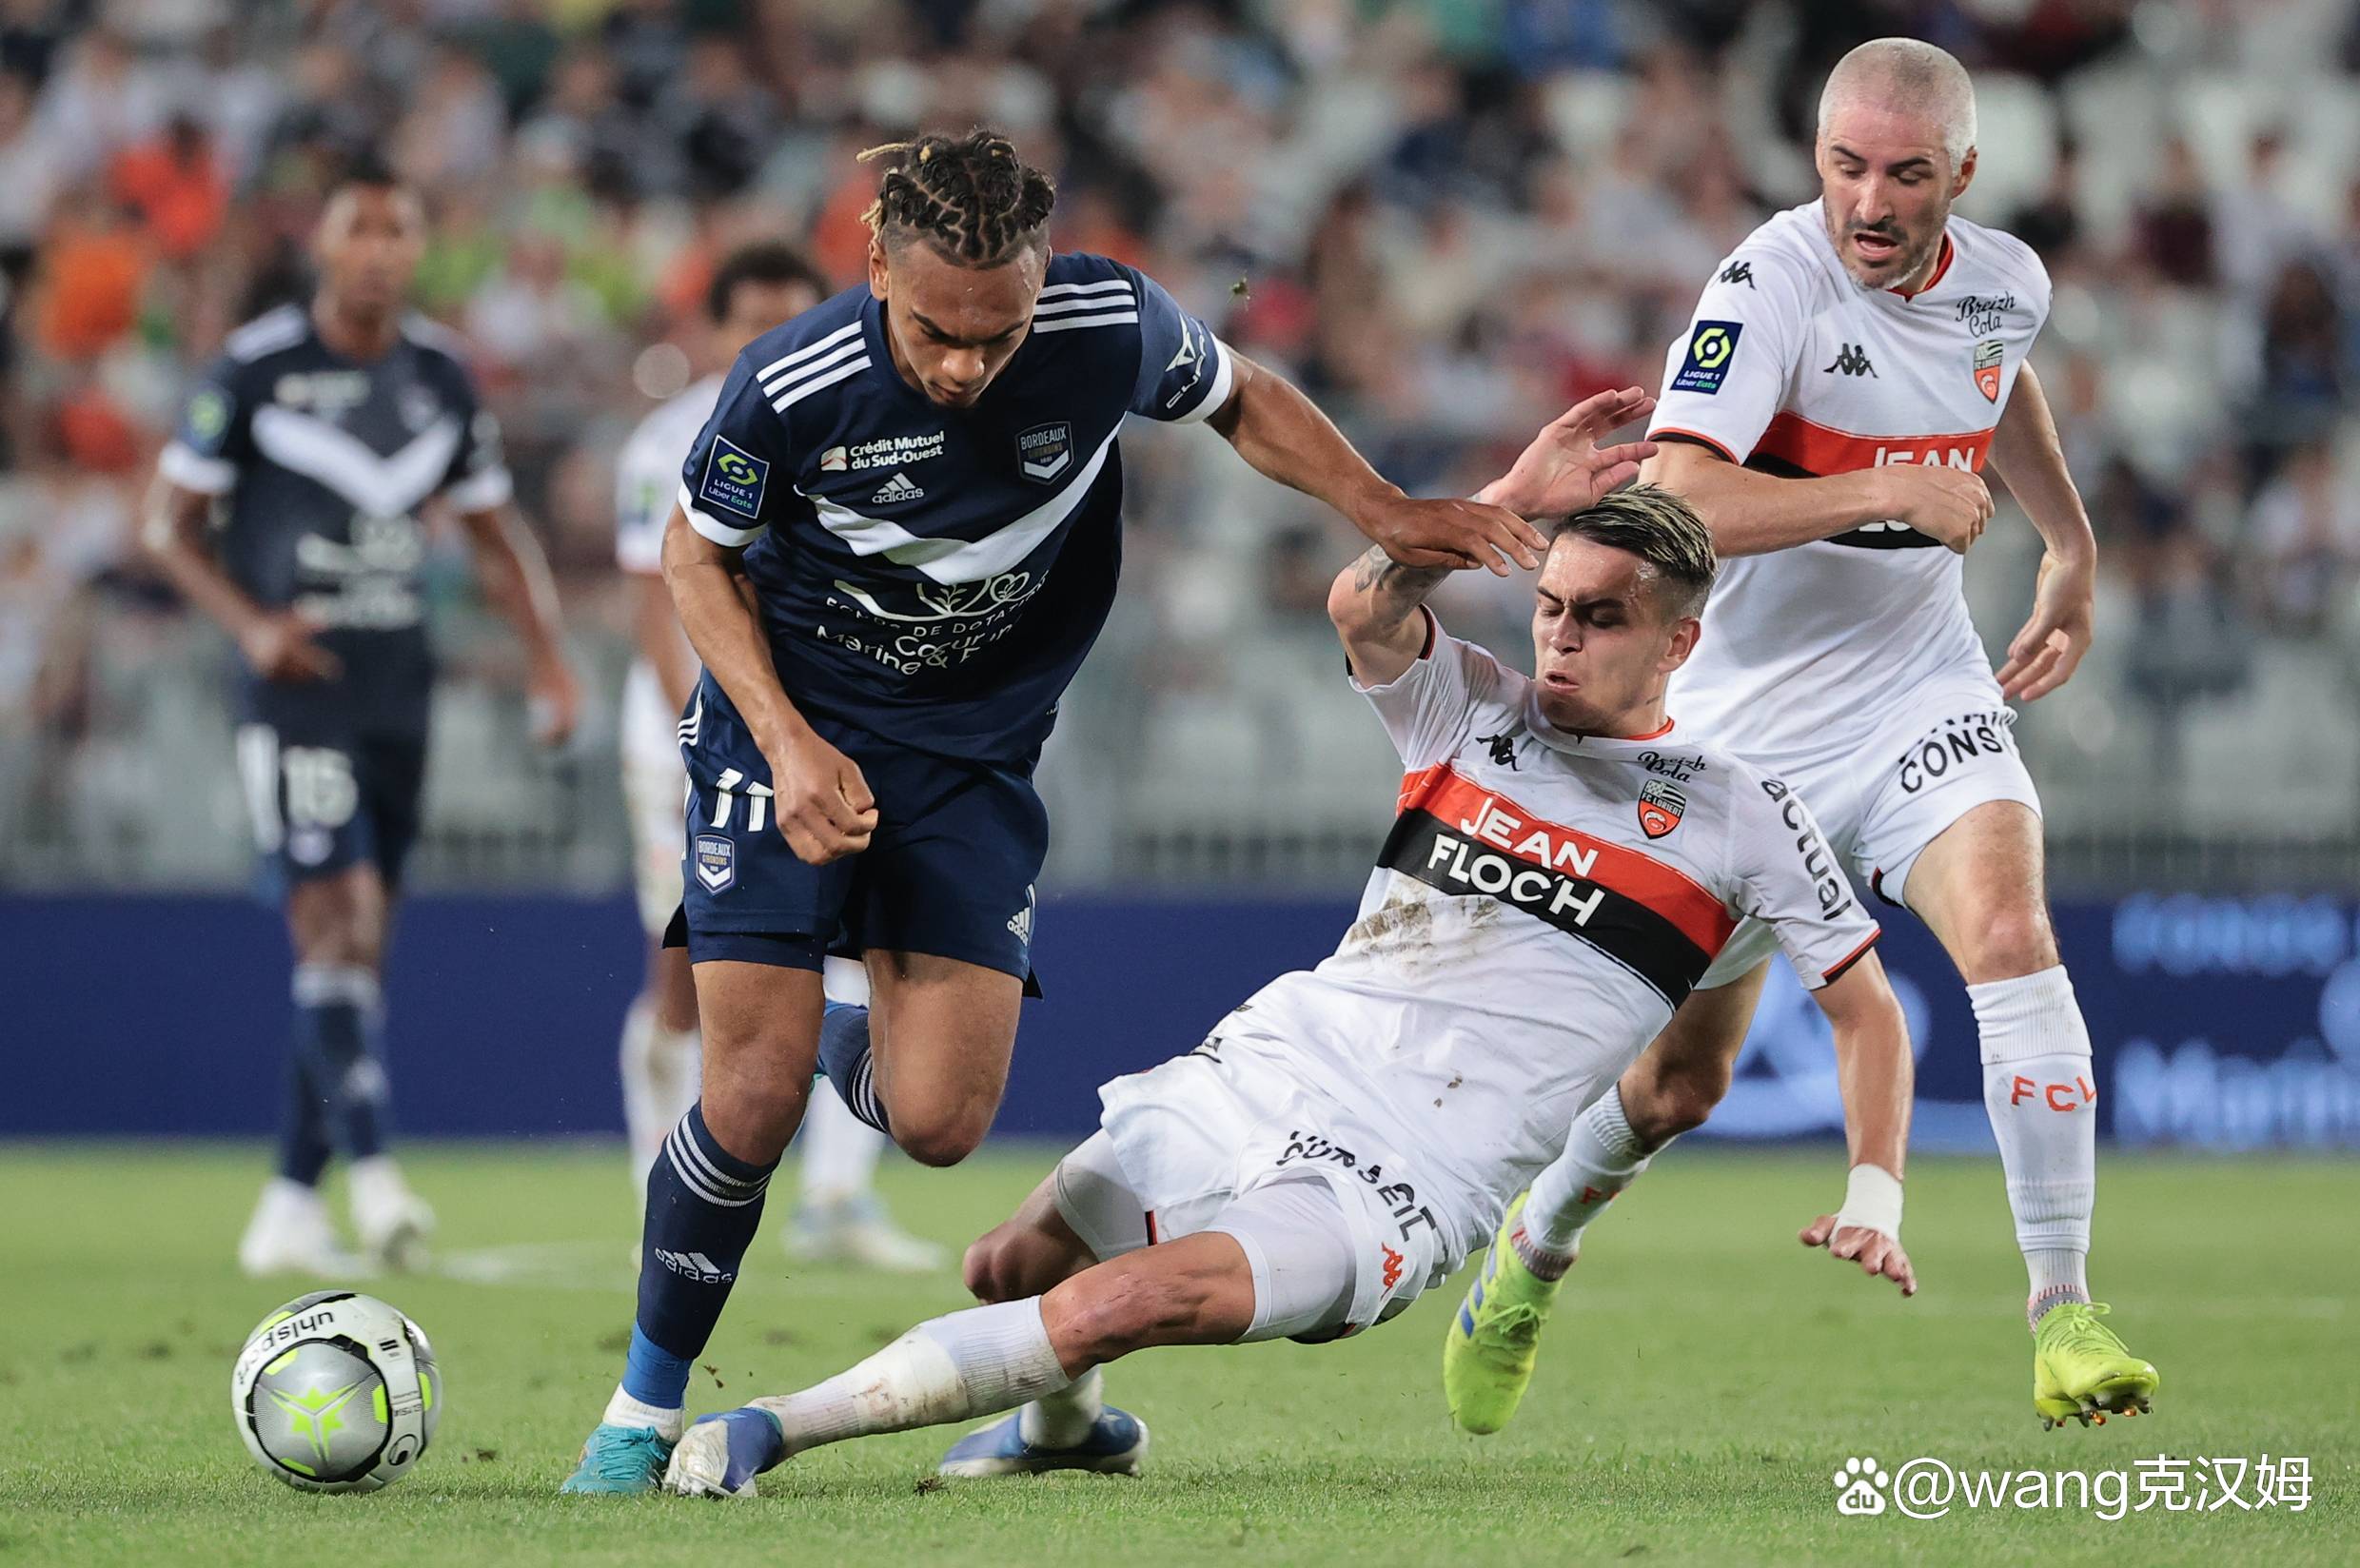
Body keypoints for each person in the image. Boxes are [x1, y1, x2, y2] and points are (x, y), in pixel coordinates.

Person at [561, 127, 1551, 1494]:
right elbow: (693, 553)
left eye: (998, 333)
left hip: (971, 755)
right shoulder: (791, 385)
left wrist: (1382, 506)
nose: (968, 364)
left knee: (941, 1123)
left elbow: (1245, 395)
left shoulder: (1109, 322)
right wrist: (784, 741)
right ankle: (637, 1414)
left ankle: (830, 1025)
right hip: (783, 726)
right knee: (747, 1090)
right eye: (937, 333)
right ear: (874, 264)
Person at [657, 472, 1922, 1498]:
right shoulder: (1471, 711)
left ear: (1680, 638)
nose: (1563, 633)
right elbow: (1363, 605)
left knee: (1122, 1302)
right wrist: (1509, 492)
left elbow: (1865, 1012)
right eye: (1552, 604)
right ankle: (1063, 1436)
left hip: (1408, 1177)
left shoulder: (1738, 817)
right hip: (1279, 1062)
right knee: (1007, 1267)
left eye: (1603, 615)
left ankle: (771, 1429)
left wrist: (1876, 1185)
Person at [1445, 39, 2157, 1435]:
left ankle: (2065, 1313)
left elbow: (1994, 382)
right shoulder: (1767, 286)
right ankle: (1533, 1253)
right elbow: (1676, 497)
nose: (1870, 204)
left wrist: (2069, 545)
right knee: (1677, 1086)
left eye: (1905, 174)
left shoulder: (2008, 279)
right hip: (1736, 742)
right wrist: (1888, 490)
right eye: (1845, 166)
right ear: (1813, 159)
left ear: (1964, 172)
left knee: (2011, 936)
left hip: (1918, 693)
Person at [142, 158, 579, 1275]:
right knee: (331, 925)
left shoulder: (440, 374)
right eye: (360, 228)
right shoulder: (255, 370)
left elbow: (491, 535)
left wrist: (547, 663)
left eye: (399, 230)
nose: (380, 248)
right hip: (295, 691)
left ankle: (290, 1197)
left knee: (362, 946)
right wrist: (248, 626)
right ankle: (378, 1183)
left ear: (418, 249)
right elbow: (166, 527)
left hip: (400, 687)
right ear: (323, 245)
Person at [611, 240, 937, 1270]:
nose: (770, 337)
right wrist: (711, 738)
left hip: (833, 736)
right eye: (749, 317)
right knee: (687, 974)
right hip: (693, 744)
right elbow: (657, 605)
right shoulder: (664, 440)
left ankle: (836, 1197)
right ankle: (658, 1190)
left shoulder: (862, 418)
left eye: (791, 313)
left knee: (853, 954)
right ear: (710, 328)